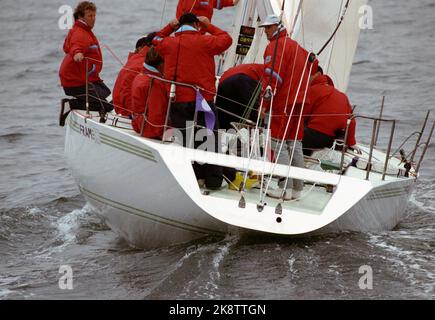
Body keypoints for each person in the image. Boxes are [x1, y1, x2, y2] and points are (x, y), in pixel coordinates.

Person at [153, 13, 232, 189]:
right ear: (196, 25)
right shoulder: (204, 41)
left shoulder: (169, 43)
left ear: (179, 26)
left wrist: (169, 27)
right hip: (203, 101)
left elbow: (156, 39)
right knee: (210, 140)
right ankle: (212, 182)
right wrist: (209, 25)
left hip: (179, 100)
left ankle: (194, 179)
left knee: (186, 141)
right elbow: (226, 39)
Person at [259, 14, 317, 200]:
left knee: (278, 143)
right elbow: (313, 64)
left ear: (278, 26)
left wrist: (264, 104)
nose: (265, 31)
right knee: (294, 145)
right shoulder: (297, 47)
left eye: (268, 27)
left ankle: (283, 188)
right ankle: (297, 190)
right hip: (300, 102)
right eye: (264, 27)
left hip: (284, 102)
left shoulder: (275, 46)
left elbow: (272, 78)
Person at [59, 1, 112, 125]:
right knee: (106, 106)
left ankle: (102, 113)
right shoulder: (80, 33)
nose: (93, 19)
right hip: (76, 81)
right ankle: (70, 104)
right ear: (81, 17)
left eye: (94, 16)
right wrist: (77, 53)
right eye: (90, 16)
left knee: (112, 101)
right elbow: (76, 45)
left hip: (90, 78)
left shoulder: (85, 30)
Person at [303, 66, 358, 156]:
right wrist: (351, 143)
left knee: (284, 136)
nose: (305, 79)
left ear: (318, 74)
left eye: (307, 75)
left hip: (313, 137)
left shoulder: (312, 90)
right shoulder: (342, 95)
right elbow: (351, 121)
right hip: (333, 141)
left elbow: (300, 115)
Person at [112, 33, 156, 117]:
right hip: (128, 112)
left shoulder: (135, 59)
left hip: (120, 107)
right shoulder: (144, 64)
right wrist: (133, 115)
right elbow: (126, 91)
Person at [131, 47, 168, 139]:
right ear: (161, 64)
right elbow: (157, 115)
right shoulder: (155, 83)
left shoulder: (140, 76)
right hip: (150, 130)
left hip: (139, 124)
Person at [216, 63, 264, 130]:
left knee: (223, 118)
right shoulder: (272, 71)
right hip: (244, 79)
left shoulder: (256, 66)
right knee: (255, 116)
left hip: (224, 80)